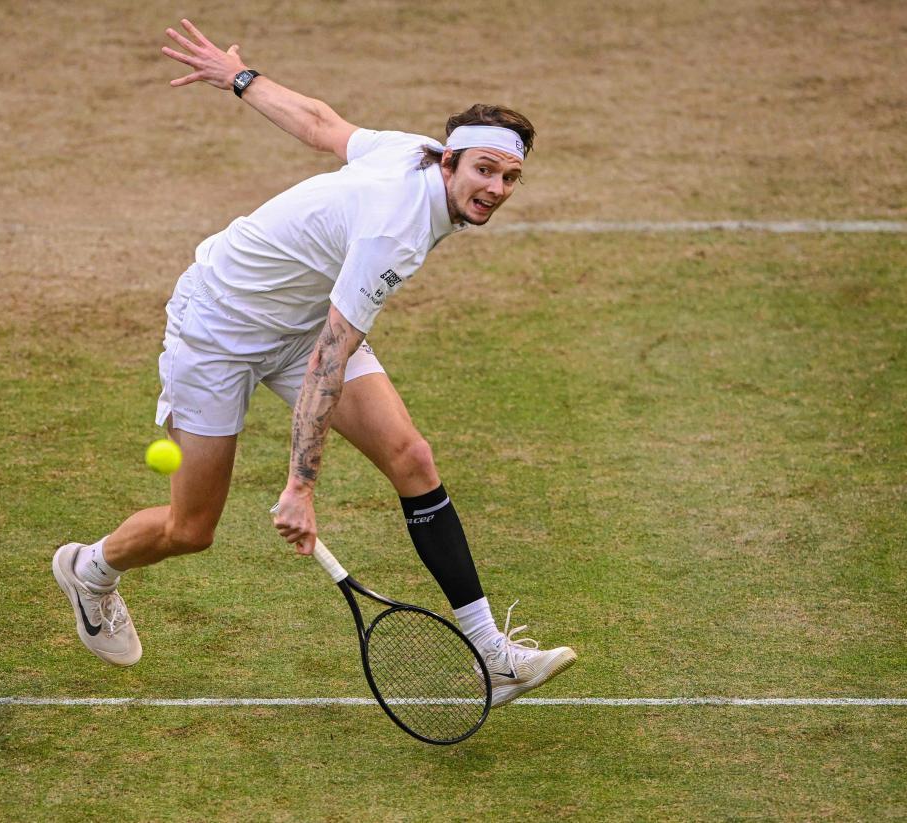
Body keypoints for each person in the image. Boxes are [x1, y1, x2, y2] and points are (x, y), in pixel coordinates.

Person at [51, 19, 576, 707]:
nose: (497, 188)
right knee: (191, 529)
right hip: (217, 329)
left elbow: (323, 124)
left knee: (412, 459)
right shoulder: (397, 229)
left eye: (510, 177)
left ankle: (492, 654)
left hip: (300, 321)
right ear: (448, 161)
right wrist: (301, 485)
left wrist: (240, 78)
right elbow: (331, 358)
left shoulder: (411, 154)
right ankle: (89, 569)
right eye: (484, 170)